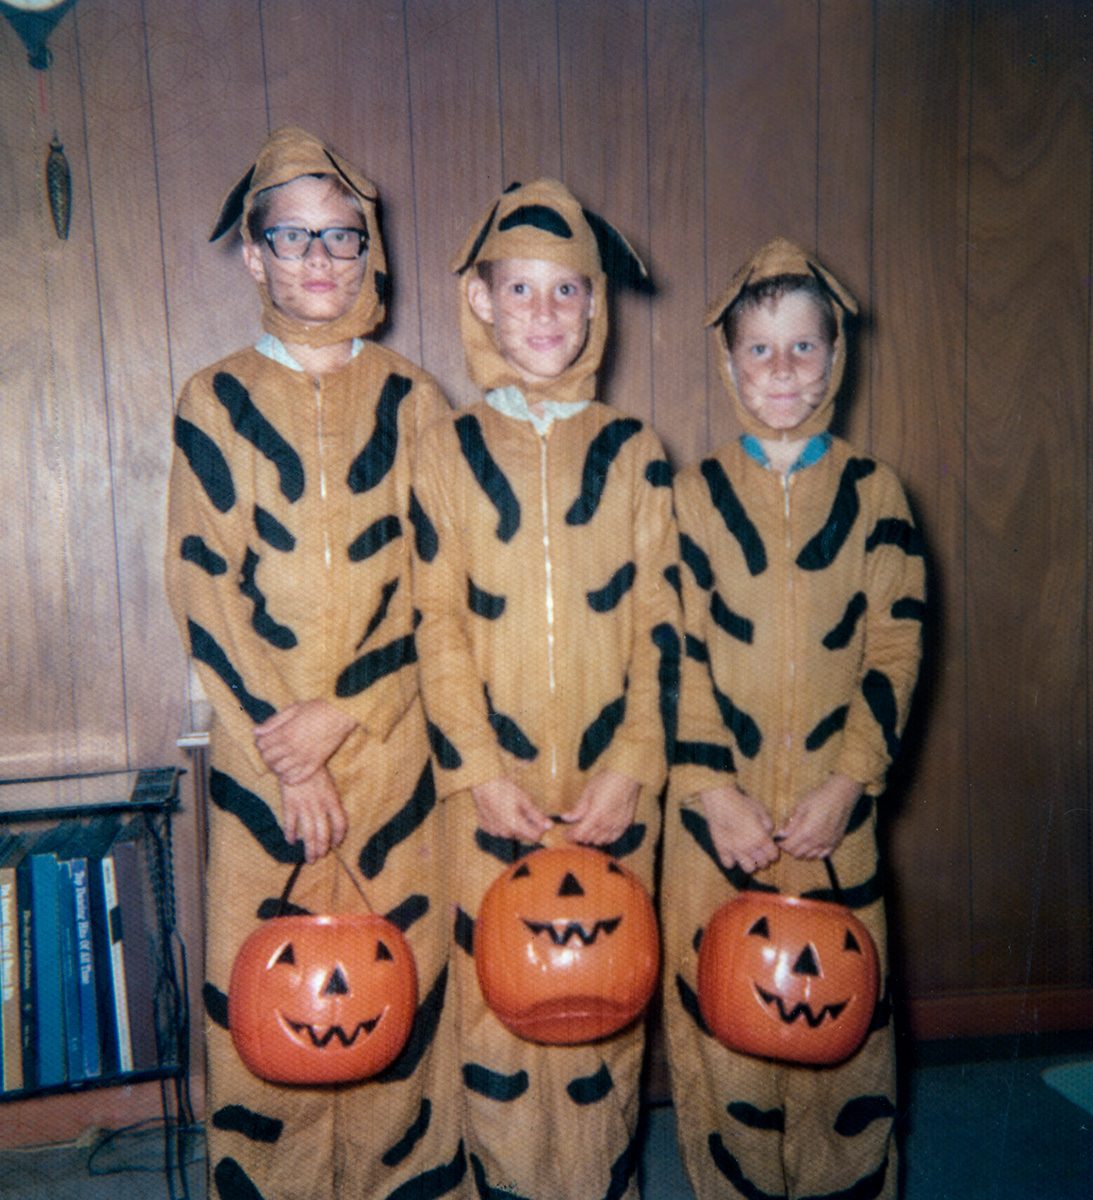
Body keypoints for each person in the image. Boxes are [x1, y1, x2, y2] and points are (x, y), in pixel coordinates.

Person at [165, 127, 466, 1199]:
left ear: (368, 248)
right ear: (255, 256)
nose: (320, 258)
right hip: (265, 758)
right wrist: (289, 755)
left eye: (341, 235)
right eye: (292, 237)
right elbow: (203, 586)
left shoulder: (418, 400)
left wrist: (345, 713)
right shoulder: (213, 400)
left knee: (401, 985)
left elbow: (443, 586)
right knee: (267, 996)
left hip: (391, 746)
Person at [411, 178, 680, 1199]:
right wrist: (477, 771)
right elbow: (435, 621)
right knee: (498, 1013)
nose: (544, 312)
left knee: (605, 1005)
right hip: (493, 791)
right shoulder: (445, 449)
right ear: (481, 300)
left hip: (611, 787)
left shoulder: (634, 451)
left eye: (567, 290)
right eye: (520, 289)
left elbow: (663, 622)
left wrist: (635, 764)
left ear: (595, 304)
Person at [662, 238, 926, 1200]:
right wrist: (711, 790)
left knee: (840, 1024)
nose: (782, 370)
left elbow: (895, 649)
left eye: (804, 347)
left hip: (831, 813)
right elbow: (673, 652)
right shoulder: (691, 497)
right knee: (724, 1033)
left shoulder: (875, 493)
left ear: (835, 357)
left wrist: (850, 782)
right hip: (716, 826)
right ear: (729, 362)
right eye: (760, 350)